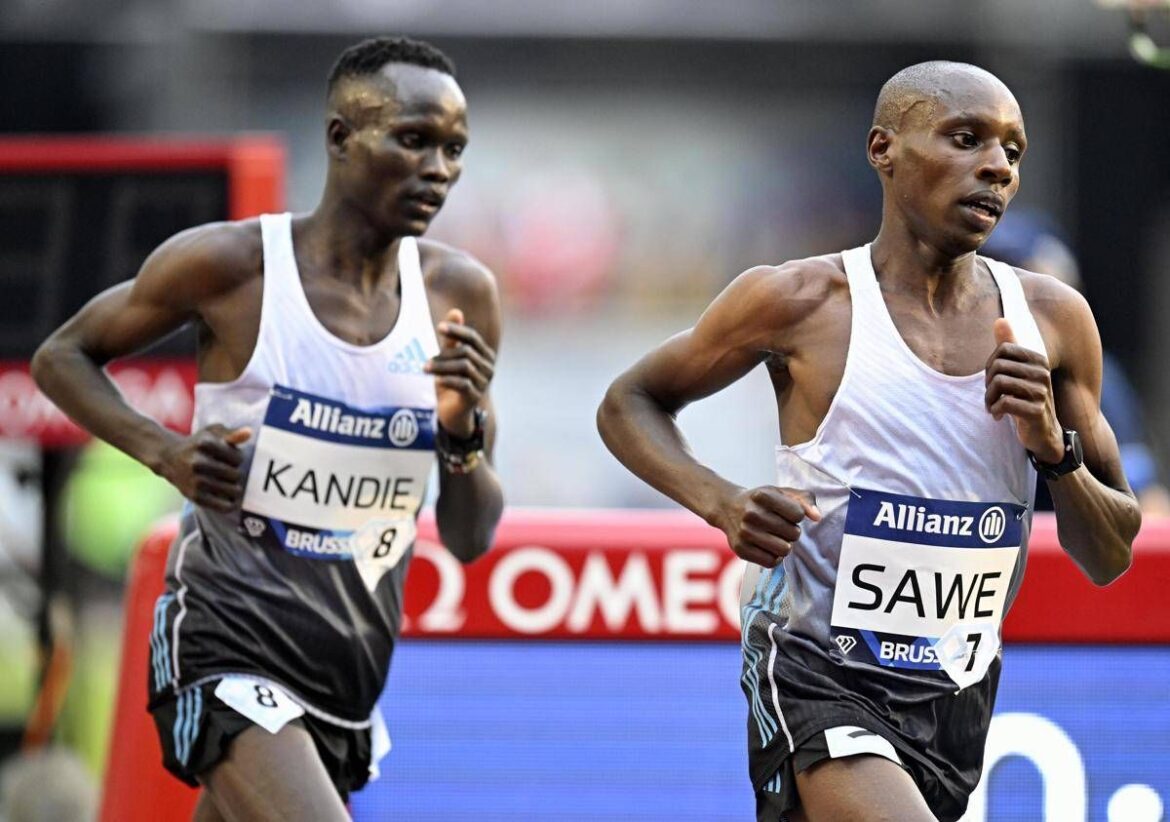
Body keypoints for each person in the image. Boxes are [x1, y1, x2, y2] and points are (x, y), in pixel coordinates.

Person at [597, 61, 1140, 822]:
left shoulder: (1053, 320)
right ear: (884, 149)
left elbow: (1109, 554)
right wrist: (721, 503)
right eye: (966, 138)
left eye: (1013, 151)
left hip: (955, 695)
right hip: (815, 670)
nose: (997, 166)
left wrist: (1054, 452)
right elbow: (628, 403)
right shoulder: (799, 301)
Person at [32, 36, 504, 821]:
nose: (438, 169)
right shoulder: (235, 267)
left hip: (345, 683)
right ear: (340, 138)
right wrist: (165, 453)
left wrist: (461, 431)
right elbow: (61, 357)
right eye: (413, 139)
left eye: (453, 149)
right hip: (224, 647)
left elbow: (470, 535)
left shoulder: (460, 295)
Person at [981, 209, 1170, 515]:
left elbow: (1145, 504)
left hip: (1054, 538)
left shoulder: (1094, 375)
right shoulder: (942, 364)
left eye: (1024, 276)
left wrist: (1054, 448)